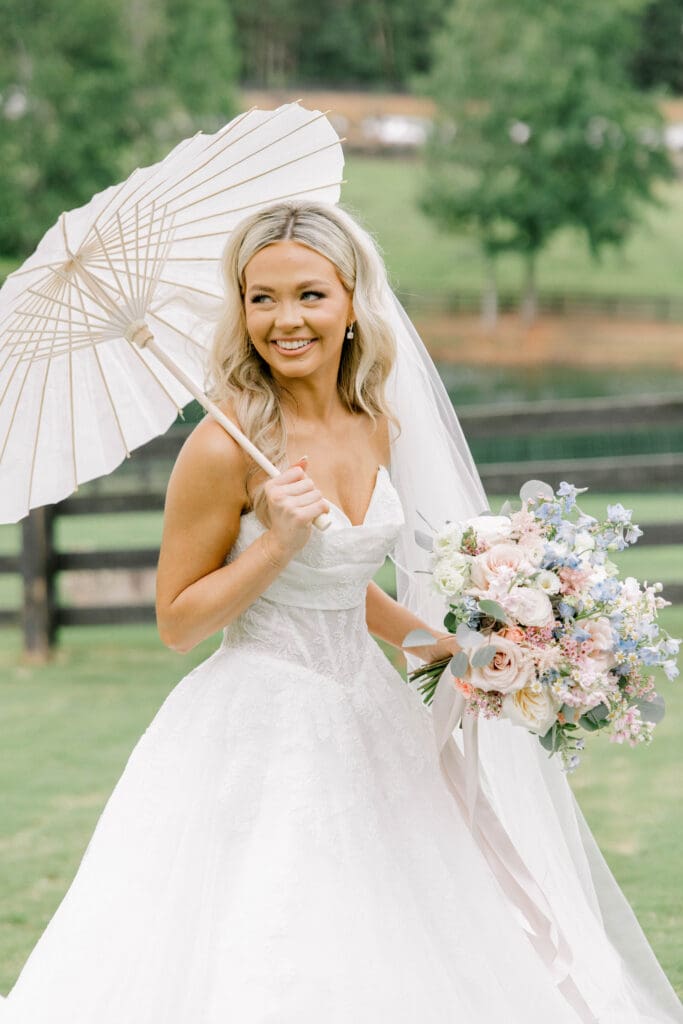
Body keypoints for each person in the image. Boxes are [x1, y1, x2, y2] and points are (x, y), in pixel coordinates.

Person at [1, 201, 681, 1023]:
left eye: (309, 295)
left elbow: (343, 585)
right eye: (261, 298)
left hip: (371, 713)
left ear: (354, 299)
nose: (284, 320)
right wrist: (274, 542)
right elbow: (178, 623)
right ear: (241, 308)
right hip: (259, 725)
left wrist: (462, 655)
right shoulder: (220, 447)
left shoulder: (375, 424)